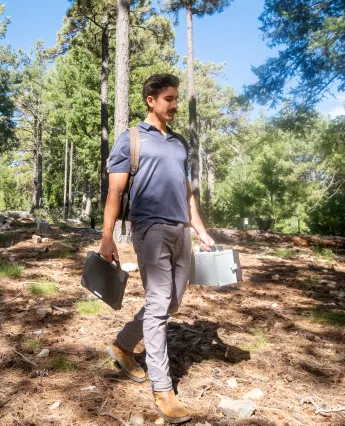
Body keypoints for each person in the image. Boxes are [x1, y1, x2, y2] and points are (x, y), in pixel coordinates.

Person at [99, 73, 215, 424]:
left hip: (180, 231)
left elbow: (186, 192)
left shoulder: (179, 144)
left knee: (171, 302)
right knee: (159, 302)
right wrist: (108, 237)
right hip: (148, 230)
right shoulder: (131, 139)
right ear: (151, 100)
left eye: (176, 98)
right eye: (169, 98)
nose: (175, 104)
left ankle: (121, 344)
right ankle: (163, 389)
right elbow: (115, 193)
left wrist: (201, 230)